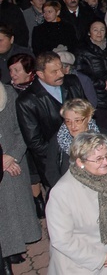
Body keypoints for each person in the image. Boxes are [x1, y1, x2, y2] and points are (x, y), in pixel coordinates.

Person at [46, 132, 107, 274]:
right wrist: (100, 259)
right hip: (79, 265)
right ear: (80, 162)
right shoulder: (62, 193)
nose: (106, 162)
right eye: (98, 159)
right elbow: (62, 239)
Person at [16, 51, 86, 186]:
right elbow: (35, 142)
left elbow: (87, 114)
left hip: (85, 152)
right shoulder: (27, 101)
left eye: (61, 68)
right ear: (40, 74)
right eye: (54, 71)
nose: (61, 74)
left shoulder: (72, 82)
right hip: (55, 161)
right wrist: (67, 154)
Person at [0, 82, 42, 271]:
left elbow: (22, 128)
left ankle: (15, 246)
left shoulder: (8, 93)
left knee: (16, 206)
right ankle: (5, 254)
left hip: (14, 160)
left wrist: (12, 156)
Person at [45, 98, 107, 188]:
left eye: (77, 121)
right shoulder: (58, 140)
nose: (73, 126)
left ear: (88, 118)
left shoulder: (103, 136)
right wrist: (64, 190)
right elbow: (51, 171)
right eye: (68, 121)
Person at [75, 20, 107, 138]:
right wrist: (102, 84)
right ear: (89, 33)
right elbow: (82, 73)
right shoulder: (82, 50)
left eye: (102, 29)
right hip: (95, 96)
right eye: (95, 30)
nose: (99, 33)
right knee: (99, 132)